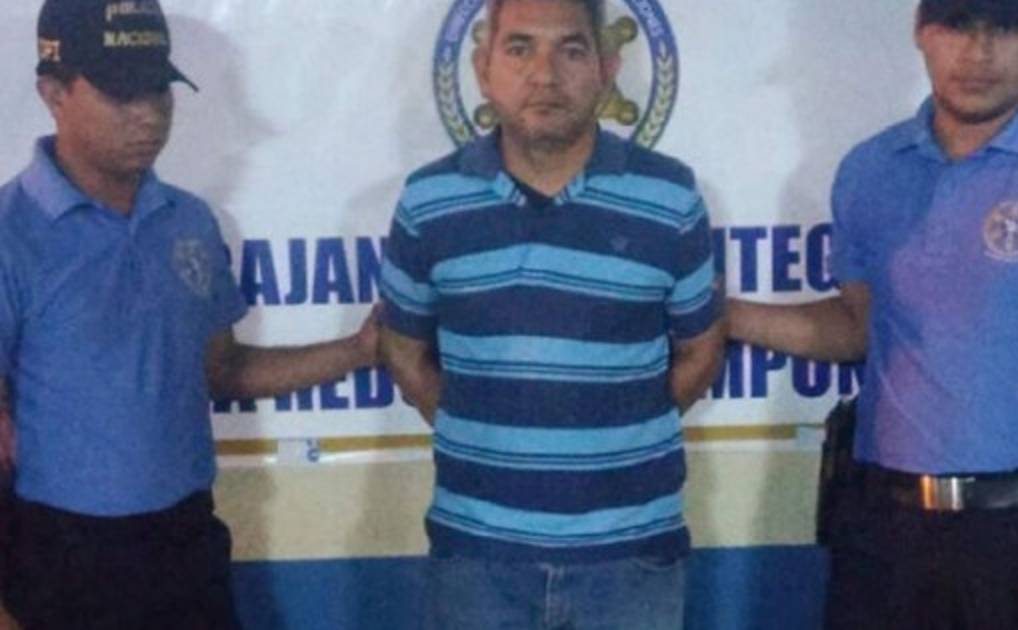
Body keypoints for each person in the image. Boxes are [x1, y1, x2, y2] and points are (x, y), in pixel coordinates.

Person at [728, 1, 1018, 628]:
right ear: (920, 31)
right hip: (879, 530)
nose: (979, 52)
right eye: (958, 24)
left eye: (1006, 27)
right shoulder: (869, 170)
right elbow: (859, 329)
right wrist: (722, 315)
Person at [0, 1, 380, 627]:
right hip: (59, 558)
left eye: (159, 89)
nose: (149, 113)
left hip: (185, 544)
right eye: (121, 94)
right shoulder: (12, 234)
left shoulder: (189, 222)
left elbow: (221, 370)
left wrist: (359, 351)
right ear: (54, 93)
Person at [378, 0, 725, 627]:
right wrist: (486, 437)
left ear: (607, 67)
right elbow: (404, 352)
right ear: (483, 69)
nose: (545, 74)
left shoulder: (669, 197)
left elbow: (700, 352)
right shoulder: (429, 202)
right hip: (477, 556)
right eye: (519, 49)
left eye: (570, 49)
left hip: (630, 557)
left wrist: (615, 437)